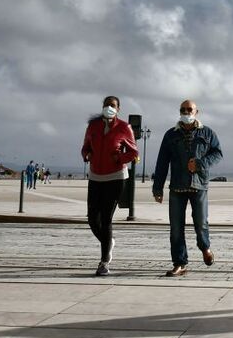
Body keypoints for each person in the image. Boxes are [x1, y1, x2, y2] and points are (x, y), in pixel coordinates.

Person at [153, 99, 222, 277]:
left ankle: (205, 247)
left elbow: (217, 153)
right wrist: (157, 188)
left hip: (199, 185)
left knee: (201, 224)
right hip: (177, 187)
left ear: (196, 112)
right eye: (183, 110)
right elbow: (162, 162)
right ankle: (179, 263)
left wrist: (200, 164)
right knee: (176, 228)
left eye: (189, 109)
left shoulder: (207, 133)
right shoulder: (170, 135)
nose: (186, 112)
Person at [81, 96, 138, 277]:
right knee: (92, 218)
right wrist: (87, 155)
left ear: (118, 109)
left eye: (112, 105)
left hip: (115, 177)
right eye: (106, 105)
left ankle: (104, 262)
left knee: (106, 219)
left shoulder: (124, 127)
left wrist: (118, 158)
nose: (109, 108)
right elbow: (85, 147)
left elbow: (134, 152)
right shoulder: (93, 127)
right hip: (96, 176)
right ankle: (109, 242)